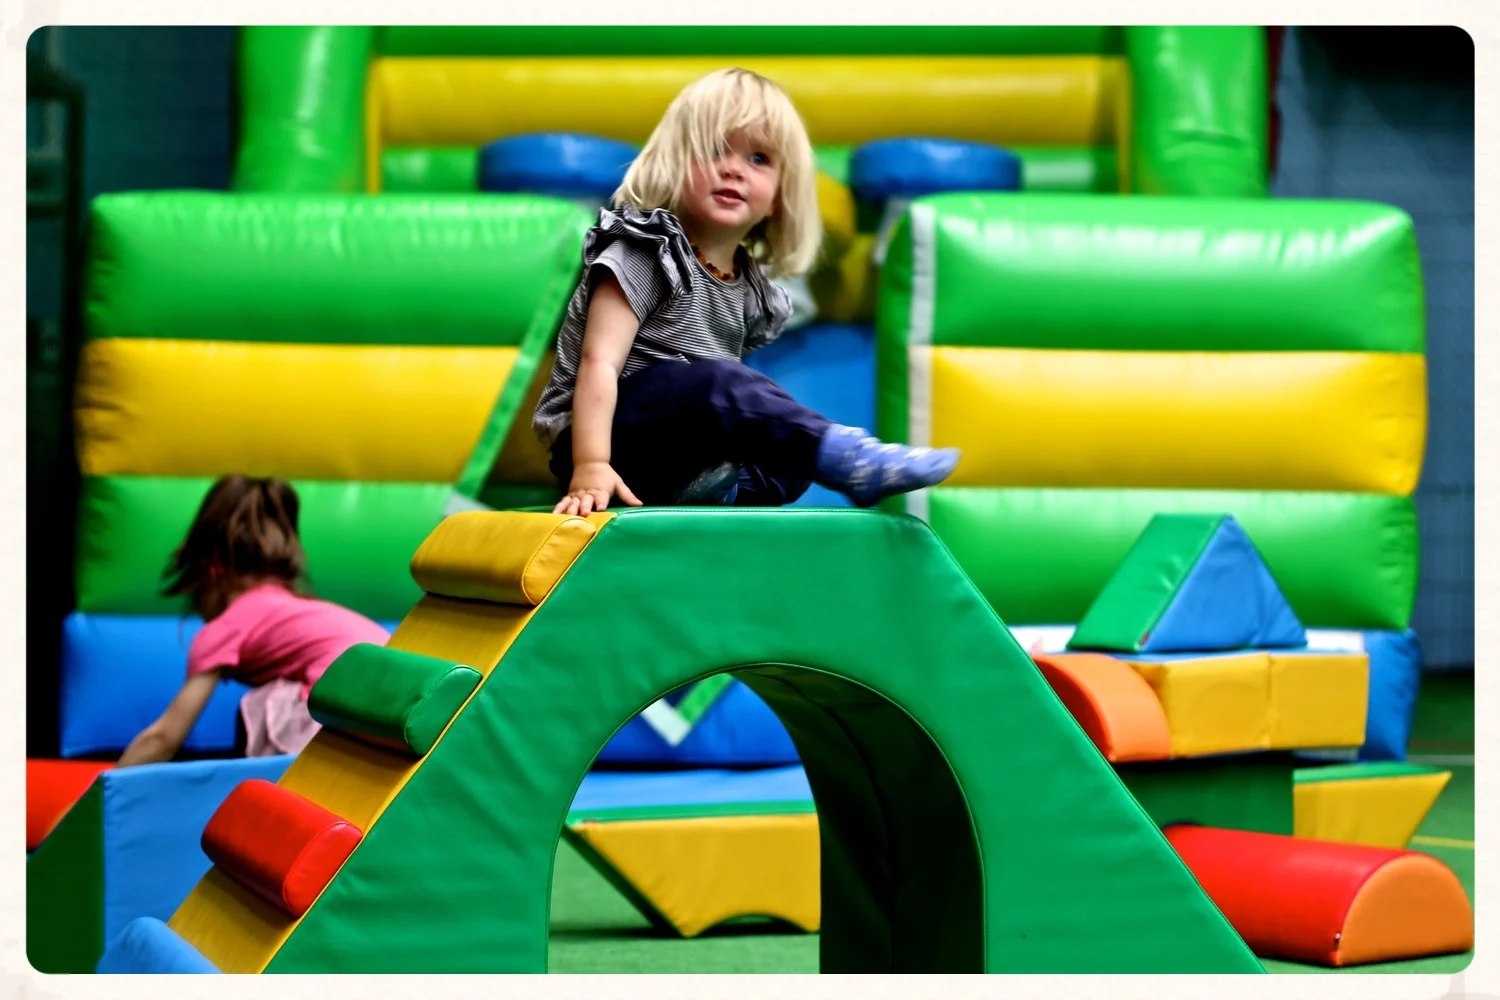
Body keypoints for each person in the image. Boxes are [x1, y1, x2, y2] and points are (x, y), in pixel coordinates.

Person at [534, 67, 960, 516]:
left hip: (678, 458)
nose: (734, 169)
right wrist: (591, 463)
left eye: (759, 158)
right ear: (675, 162)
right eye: (716, 150)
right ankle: (848, 455)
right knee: (717, 382)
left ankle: (720, 490)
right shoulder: (645, 250)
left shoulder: (747, 285)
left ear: (777, 195)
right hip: (611, 439)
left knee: (789, 452)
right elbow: (598, 362)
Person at [115, 476, 390, 766]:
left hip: (344, 719)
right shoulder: (298, 610)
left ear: (211, 570)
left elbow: (163, 739)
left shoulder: (227, 626)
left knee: (261, 703)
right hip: (395, 711)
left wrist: (95, 803)